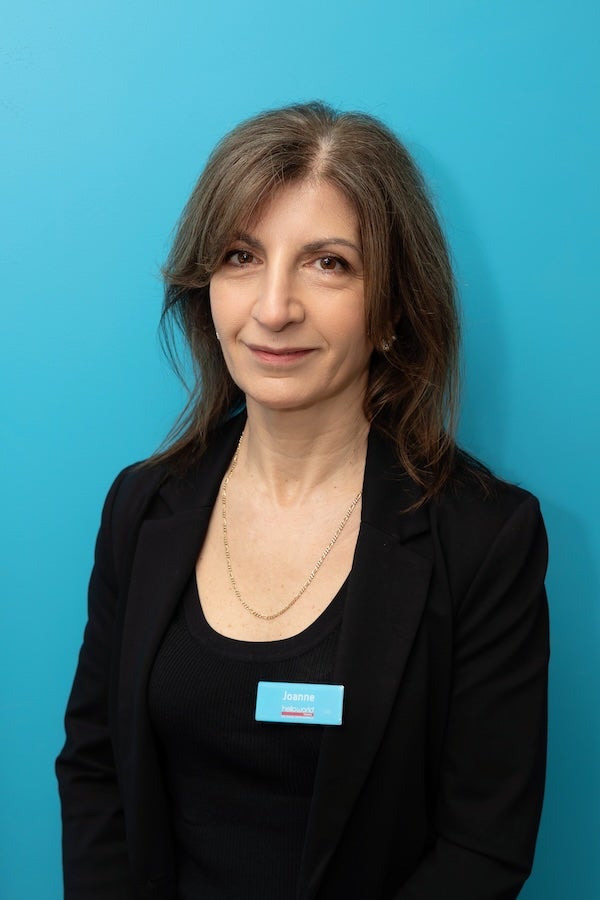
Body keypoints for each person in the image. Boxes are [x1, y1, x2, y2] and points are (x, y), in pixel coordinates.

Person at [56, 101, 549, 900]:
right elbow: (94, 768)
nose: (274, 307)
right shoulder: (142, 507)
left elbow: (483, 844)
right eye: (241, 256)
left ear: (393, 311)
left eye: (329, 264)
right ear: (206, 288)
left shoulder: (485, 536)